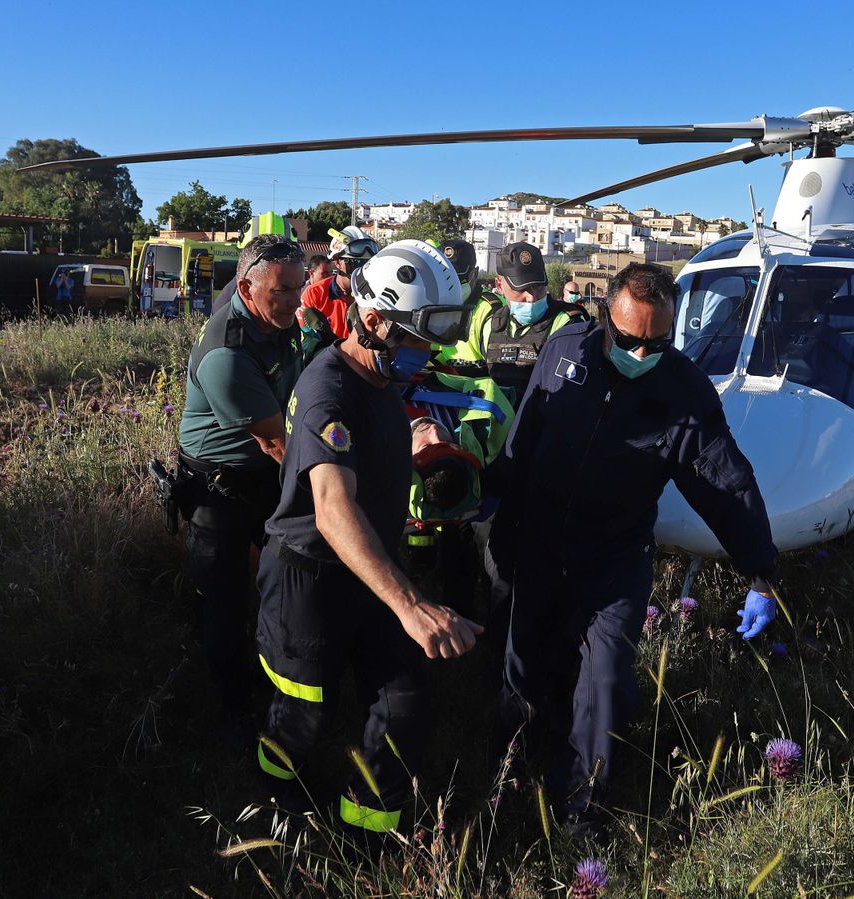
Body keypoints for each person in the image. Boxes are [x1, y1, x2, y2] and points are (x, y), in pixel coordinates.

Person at [490, 262, 779, 833]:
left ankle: (581, 806)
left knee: (605, 679)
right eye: (628, 341)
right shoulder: (565, 351)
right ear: (605, 320)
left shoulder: (684, 392)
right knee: (523, 664)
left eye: (657, 343)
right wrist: (502, 521)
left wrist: (760, 570)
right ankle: (508, 773)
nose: (641, 355)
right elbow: (525, 439)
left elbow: (724, 482)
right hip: (543, 539)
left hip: (614, 555)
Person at [256, 239, 481, 838]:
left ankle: (367, 837)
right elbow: (331, 508)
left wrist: (421, 442)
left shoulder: (380, 377)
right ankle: (278, 810)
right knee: (301, 715)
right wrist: (410, 606)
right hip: (311, 578)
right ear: (374, 320)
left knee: (404, 702)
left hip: (374, 571)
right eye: (415, 341)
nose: (425, 354)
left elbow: (376, 435)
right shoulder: (328, 389)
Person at [176, 235, 318, 743]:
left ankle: (276, 670)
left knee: (279, 580)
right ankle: (232, 708)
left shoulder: (274, 319)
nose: (295, 300)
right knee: (224, 595)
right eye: (281, 290)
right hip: (223, 488)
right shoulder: (227, 355)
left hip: (259, 475)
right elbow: (283, 446)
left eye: (300, 287)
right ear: (247, 287)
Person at [446, 241, 588, 401]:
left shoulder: (568, 324)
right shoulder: (492, 325)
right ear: (499, 285)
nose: (531, 297)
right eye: (521, 289)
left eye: (538, 287)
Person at [301, 226, 379, 340]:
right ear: (337, 261)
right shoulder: (314, 293)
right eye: (355, 262)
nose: (361, 268)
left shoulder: (378, 292)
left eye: (366, 262)